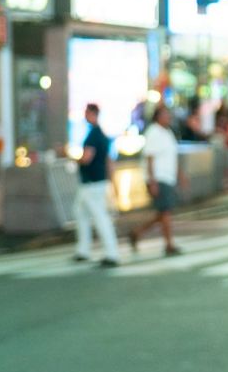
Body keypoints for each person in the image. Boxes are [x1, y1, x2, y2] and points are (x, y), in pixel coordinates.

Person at [70, 103, 121, 267]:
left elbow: (86, 159)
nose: (85, 115)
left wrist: (69, 156)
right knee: (81, 213)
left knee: (99, 216)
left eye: (86, 112)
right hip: (95, 181)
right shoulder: (101, 135)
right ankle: (83, 250)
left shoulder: (93, 136)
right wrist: (113, 183)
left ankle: (111, 253)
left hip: (92, 182)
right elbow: (109, 161)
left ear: (92, 113)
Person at [128, 104, 182, 256]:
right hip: (159, 178)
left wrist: (180, 175)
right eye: (165, 114)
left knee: (163, 213)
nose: (168, 117)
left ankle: (137, 233)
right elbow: (150, 158)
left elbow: (171, 156)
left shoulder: (168, 132)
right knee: (165, 211)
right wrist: (152, 181)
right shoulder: (153, 133)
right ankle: (169, 244)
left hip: (168, 177)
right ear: (158, 116)